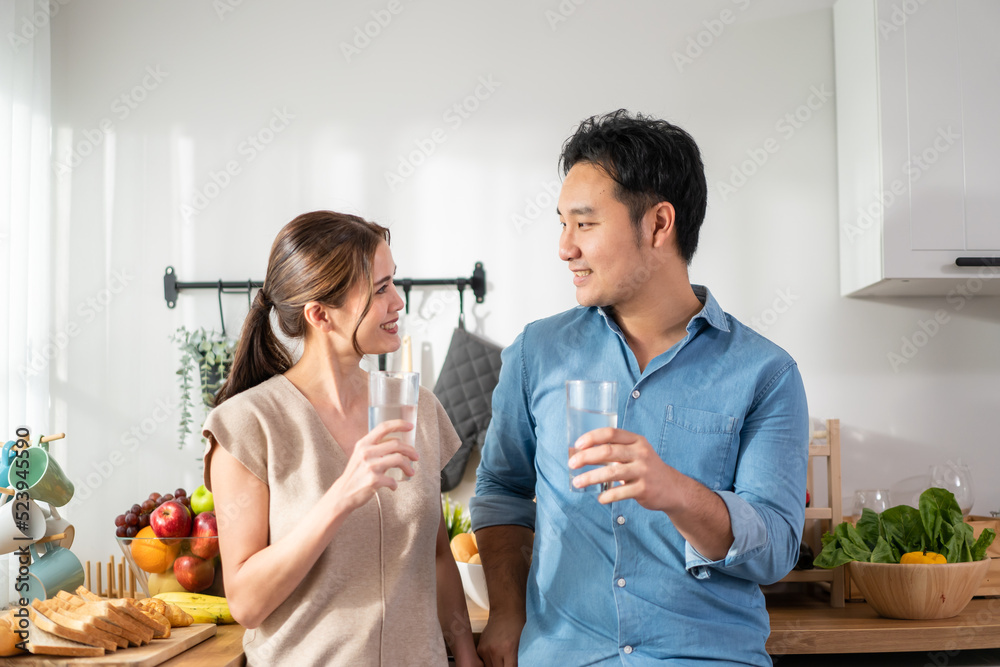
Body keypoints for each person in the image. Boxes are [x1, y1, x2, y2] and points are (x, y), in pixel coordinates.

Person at [470, 111, 809, 666]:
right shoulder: (537, 352)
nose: (564, 247)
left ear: (658, 224)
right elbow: (503, 490)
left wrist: (674, 492)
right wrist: (508, 613)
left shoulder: (765, 373)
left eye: (584, 224)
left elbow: (774, 547)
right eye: (562, 223)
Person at [202, 211, 482, 667]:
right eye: (379, 290)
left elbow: (434, 557)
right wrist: (340, 498)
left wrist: (466, 655)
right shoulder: (248, 424)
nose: (398, 303)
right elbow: (247, 603)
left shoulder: (418, 408)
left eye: (394, 283)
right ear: (320, 315)